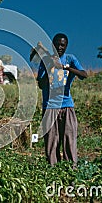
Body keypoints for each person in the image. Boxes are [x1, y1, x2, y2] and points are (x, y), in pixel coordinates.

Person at [37, 33, 87, 167]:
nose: (59, 47)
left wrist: (67, 68)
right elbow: (41, 85)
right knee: (51, 143)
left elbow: (84, 75)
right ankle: (53, 173)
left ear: (66, 46)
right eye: (57, 44)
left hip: (67, 106)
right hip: (50, 107)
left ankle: (70, 171)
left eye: (62, 45)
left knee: (69, 141)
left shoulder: (70, 59)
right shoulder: (46, 60)